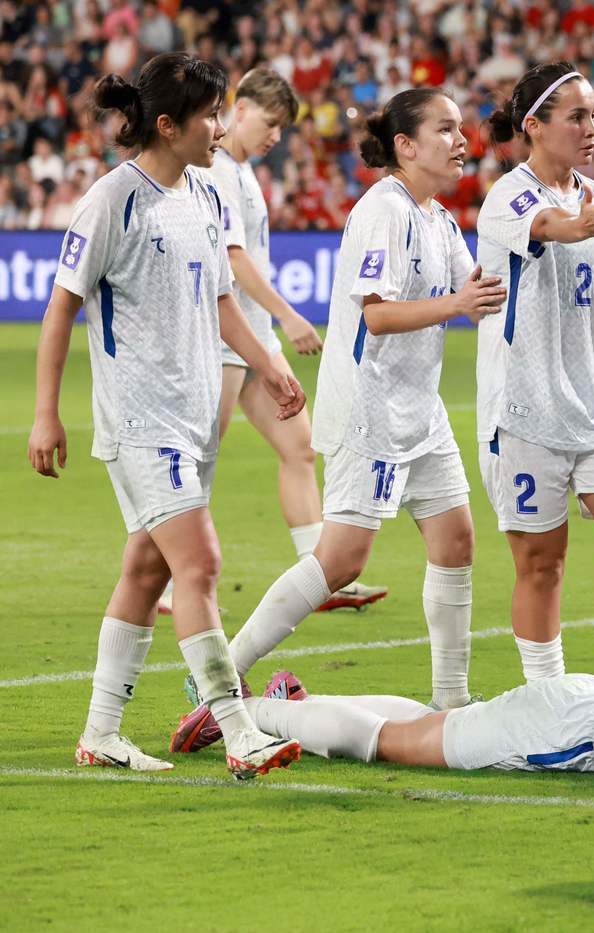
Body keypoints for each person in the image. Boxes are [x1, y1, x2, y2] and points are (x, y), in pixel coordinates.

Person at [170, 88, 507, 753]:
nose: (461, 140)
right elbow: (378, 314)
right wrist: (458, 302)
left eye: (461, 129)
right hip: (372, 405)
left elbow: (480, 297)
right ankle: (220, 678)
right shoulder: (382, 211)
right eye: (445, 129)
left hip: (420, 405)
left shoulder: (439, 219)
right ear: (405, 145)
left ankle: (452, 703)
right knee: (341, 557)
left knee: (456, 538)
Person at [27, 52, 303, 779]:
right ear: (168, 124)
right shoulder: (113, 199)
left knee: (148, 570)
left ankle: (100, 734)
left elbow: (219, 302)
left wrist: (270, 365)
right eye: (211, 113)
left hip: (191, 414)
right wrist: (46, 415)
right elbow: (61, 310)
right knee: (199, 563)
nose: (221, 125)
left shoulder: (210, 195)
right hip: (139, 418)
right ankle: (240, 730)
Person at [159, 66, 388, 618]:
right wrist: (287, 317)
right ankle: (166, 580)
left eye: (283, 127)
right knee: (200, 458)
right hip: (224, 337)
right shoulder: (218, 175)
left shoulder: (238, 173)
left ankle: (319, 573)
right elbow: (234, 262)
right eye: (271, 122)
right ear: (239, 109)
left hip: (249, 339)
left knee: (299, 447)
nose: (276, 136)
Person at [479, 61, 594, 685]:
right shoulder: (509, 195)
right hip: (528, 412)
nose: (592, 128)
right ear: (534, 125)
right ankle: (547, 700)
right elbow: (547, 226)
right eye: (577, 116)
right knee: (541, 567)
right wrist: (573, 225)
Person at [243, 668, 594, 783]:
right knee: (392, 743)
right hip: (569, 731)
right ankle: (245, 714)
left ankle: (293, 704)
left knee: (435, 724)